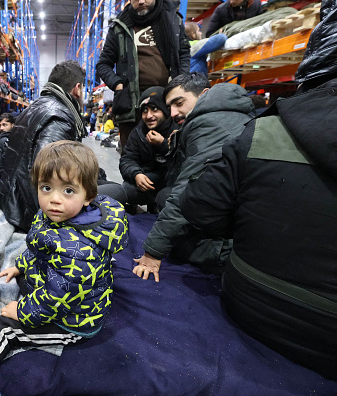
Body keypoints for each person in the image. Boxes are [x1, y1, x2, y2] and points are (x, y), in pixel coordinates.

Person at [178, 1, 337, 379]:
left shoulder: (261, 131)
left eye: (176, 104)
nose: (167, 115)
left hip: (247, 304)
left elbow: (197, 206)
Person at [0, 141, 129, 378]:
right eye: (46, 187)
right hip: (54, 285)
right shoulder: (53, 216)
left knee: (4, 329)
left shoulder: (79, 252)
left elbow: (55, 298)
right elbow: (39, 247)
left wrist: (22, 312)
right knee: (14, 274)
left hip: (74, 320)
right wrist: (20, 266)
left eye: (68, 190)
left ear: (88, 196)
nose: (54, 199)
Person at [133, 73, 253, 282]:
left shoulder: (209, 125)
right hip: (240, 212)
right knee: (163, 196)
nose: (173, 113)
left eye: (179, 103)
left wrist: (152, 252)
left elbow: (187, 190)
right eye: (169, 106)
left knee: (178, 243)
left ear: (204, 94)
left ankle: (225, 253)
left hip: (236, 233)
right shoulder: (230, 115)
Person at [0, 60, 87, 232]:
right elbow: (51, 175)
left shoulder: (34, 106)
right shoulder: (60, 117)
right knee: (114, 192)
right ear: (77, 88)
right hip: (28, 214)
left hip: (10, 200)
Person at [95, 0, 190, 153]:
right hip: (131, 107)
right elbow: (102, 65)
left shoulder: (172, 19)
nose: (141, 1)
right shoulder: (120, 26)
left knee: (170, 154)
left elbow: (184, 52)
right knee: (132, 157)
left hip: (166, 105)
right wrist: (119, 85)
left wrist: (182, 82)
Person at [119, 86, 176, 212]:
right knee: (128, 189)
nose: (149, 116)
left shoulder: (177, 128)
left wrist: (163, 144)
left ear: (165, 110)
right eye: (145, 110)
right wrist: (136, 174)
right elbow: (127, 159)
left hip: (173, 182)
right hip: (150, 181)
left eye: (154, 109)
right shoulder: (138, 133)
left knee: (167, 197)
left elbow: (185, 160)